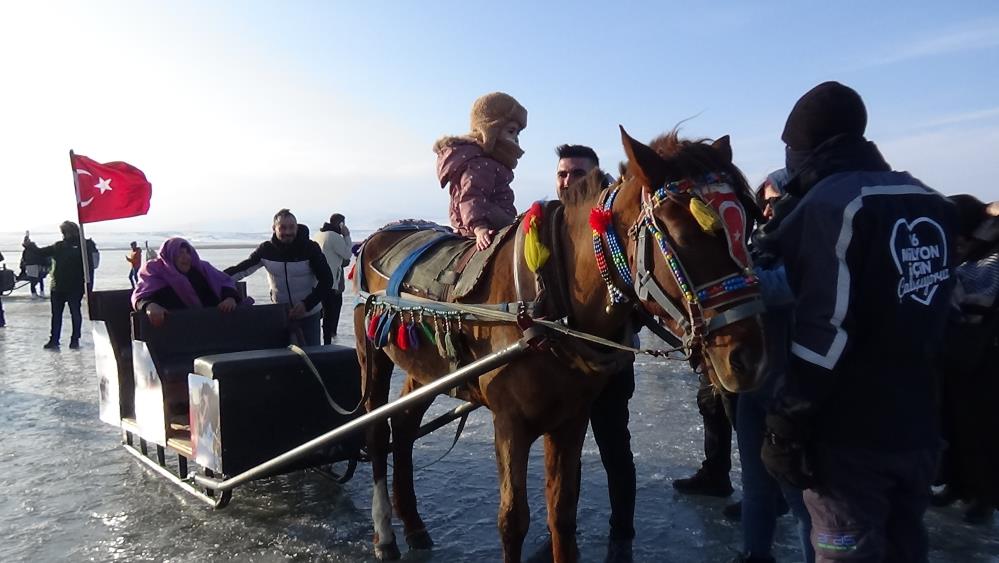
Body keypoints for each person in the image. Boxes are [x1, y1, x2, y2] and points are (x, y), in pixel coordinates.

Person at [759, 81, 957, 562]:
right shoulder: (930, 199)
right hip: (916, 430)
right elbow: (941, 314)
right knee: (906, 544)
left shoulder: (834, 206)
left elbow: (826, 330)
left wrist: (786, 420)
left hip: (848, 442)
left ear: (805, 145)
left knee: (843, 548)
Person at [555, 144, 636, 562]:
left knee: (613, 445)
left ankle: (622, 532)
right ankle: (562, 531)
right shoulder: (554, 225)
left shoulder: (614, 225)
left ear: (597, 177)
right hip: (564, 366)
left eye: (577, 174)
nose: (568, 182)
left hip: (608, 364)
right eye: (563, 174)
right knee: (566, 451)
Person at [730, 169, 813, 563]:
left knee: (800, 495)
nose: (767, 209)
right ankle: (754, 554)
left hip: (795, 390)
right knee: (755, 484)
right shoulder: (756, 243)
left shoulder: (811, 243)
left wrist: (731, 277)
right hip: (756, 385)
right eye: (761, 201)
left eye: (775, 200)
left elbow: (781, 289)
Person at [932, 194, 999, 524]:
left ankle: (985, 494)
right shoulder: (961, 254)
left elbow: (979, 305)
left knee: (981, 428)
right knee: (953, 422)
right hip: (957, 352)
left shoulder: (991, 258)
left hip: (984, 355)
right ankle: (957, 484)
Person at [225, 209, 333, 346]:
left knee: (312, 358)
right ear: (274, 228)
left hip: (309, 314)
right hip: (281, 314)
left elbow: (327, 280)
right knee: (282, 359)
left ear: (296, 227)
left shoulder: (310, 248)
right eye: (282, 227)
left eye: (291, 227)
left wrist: (306, 304)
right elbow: (240, 270)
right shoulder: (266, 250)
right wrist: (212, 277)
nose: (288, 232)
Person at [434, 91, 526, 250]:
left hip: (498, 223)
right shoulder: (481, 164)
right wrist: (479, 228)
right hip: (480, 227)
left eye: (518, 133)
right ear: (490, 131)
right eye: (511, 131)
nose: (516, 138)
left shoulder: (493, 162)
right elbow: (471, 196)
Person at [131, 237, 243, 326]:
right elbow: (141, 296)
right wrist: (150, 306)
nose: (185, 257)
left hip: (213, 325)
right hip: (175, 332)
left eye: (187, 252)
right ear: (170, 255)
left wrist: (230, 298)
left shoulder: (203, 269)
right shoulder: (154, 271)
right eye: (180, 253)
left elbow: (225, 282)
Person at [38, 221, 97, 350]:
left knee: (75, 312)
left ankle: (74, 339)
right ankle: (54, 340)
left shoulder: (84, 246)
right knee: (57, 315)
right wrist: (29, 246)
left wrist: (89, 287)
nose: (64, 235)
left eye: (65, 232)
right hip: (57, 287)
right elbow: (41, 252)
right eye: (63, 232)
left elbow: (89, 269)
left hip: (74, 287)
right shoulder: (59, 246)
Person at [313, 213, 352, 344]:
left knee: (321, 312)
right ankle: (329, 343)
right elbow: (347, 254)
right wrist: (346, 235)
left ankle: (319, 340)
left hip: (317, 281)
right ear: (340, 224)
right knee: (330, 314)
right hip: (330, 282)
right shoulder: (334, 236)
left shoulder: (319, 235)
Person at [20, 232, 48, 297]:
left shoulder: (27, 250)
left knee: (33, 281)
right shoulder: (32, 248)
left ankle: (35, 293)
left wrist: (23, 267)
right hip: (34, 265)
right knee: (39, 280)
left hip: (32, 265)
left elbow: (24, 259)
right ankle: (40, 292)